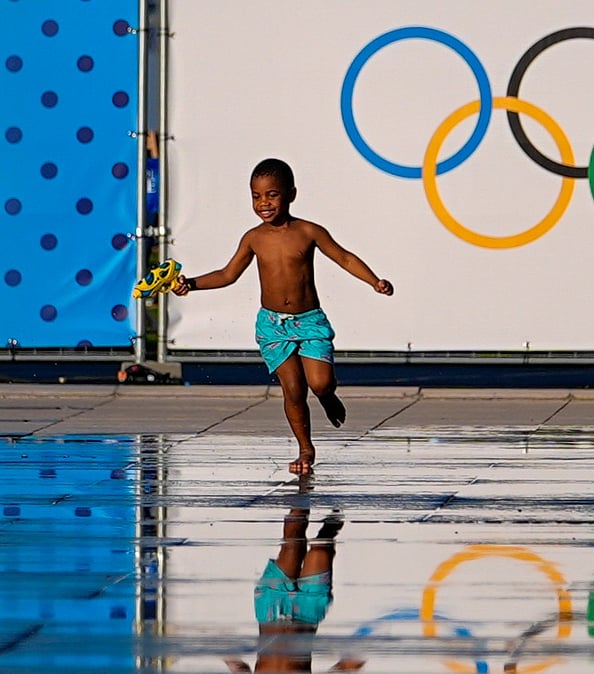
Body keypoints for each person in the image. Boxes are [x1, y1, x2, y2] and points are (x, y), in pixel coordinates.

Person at [172, 158, 393, 474]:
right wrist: (191, 284)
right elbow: (227, 274)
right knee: (293, 390)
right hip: (273, 325)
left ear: (291, 194)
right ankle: (305, 449)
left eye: (272, 195)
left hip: (309, 322)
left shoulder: (308, 232)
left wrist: (374, 281)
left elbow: (344, 257)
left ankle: (327, 396)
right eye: (256, 196)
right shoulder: (253, 238)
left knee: (320, 383)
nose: (263, 203)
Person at [224, 501, 364, 672]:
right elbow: (343, 668)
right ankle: (329, 530)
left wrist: (225, 654)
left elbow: (241, 668)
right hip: (308, 612)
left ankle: (303, 485)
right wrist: (347, 666)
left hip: (271, 608)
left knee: (292, 546)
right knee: (320, 550)